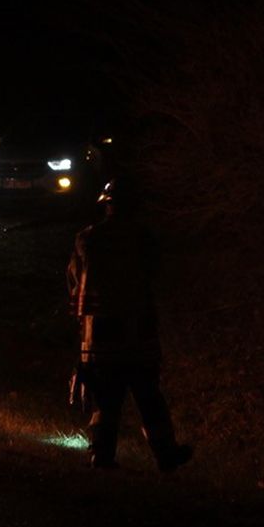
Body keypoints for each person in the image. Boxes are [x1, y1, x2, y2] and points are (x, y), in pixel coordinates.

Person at [67, 179, 192, 472]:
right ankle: (166, 455)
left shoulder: (87, 239)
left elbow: (73, 283)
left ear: (106, 205)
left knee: (106, 401)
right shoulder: (143, 238)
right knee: (149, 397)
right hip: (138, 334)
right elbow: (156, 274)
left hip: (98, 337)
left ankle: (101, 455)